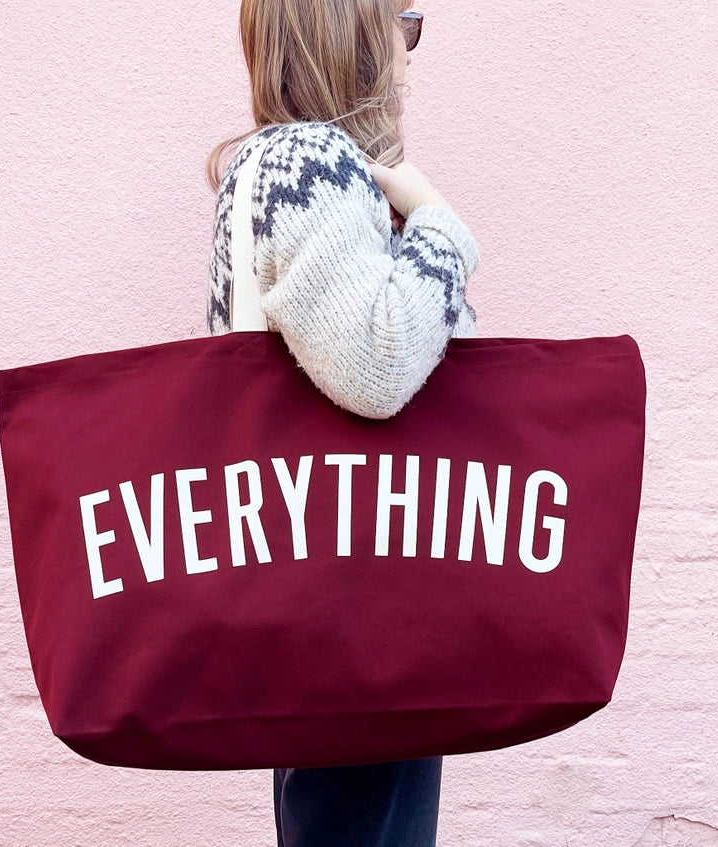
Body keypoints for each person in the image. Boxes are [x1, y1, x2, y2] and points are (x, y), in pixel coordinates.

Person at [206, 1, 479, 843]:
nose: (410, 46)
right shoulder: (309, 162)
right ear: (353, 34)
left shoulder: (289, 166)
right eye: (401, 19)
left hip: (331, 573)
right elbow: (378, 364)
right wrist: (439, 224)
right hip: (360, 584)